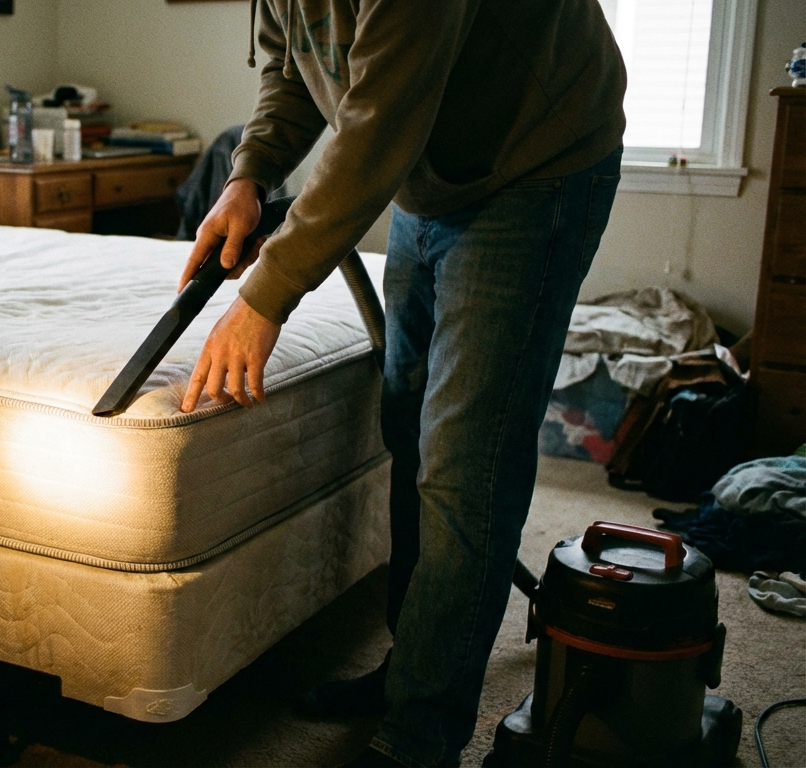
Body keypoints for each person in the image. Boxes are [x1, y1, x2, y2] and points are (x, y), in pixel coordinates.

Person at [177, 1, 626, 765]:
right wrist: (249, 174)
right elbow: (294, 65)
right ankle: (412, 670)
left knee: (463, 462)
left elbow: (379, 122)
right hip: (431, 169)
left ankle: (421, 732)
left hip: (534, 161)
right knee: (409, 427)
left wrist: (267, 294)